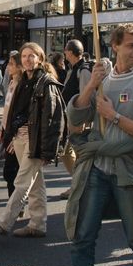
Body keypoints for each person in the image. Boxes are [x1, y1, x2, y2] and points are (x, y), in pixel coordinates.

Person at [65, 23, 133, 266]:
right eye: (131, 45)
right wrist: (91, 85)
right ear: (115, 46)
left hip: (130, 172)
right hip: (96, 170)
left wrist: (113, 116)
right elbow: (75, 118)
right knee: (82, 240)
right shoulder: (103, 82)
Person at [0, 42, 64, 238]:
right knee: (35, 184)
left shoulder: (46, 82)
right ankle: (37, 224)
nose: (27, 59)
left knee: (22, 181)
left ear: (40, 58)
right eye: (24, 56)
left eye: (32, 55)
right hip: (19, 138)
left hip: (34, 139)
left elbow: (53, 119)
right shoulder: (21, 80)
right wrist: (9, 134)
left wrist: (48, 150)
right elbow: (14, 111)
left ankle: (5, 222)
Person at [58, 39, 92, 199]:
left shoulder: (83, 70)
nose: (64, 53)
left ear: (70, 52)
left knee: (71, 152)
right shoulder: (75, 69)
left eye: (66, 51)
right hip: (69, 117)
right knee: (66, 152)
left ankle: (79, 184)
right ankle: (77, 183)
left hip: (77, 119)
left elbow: (86, 96)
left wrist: (84, 121)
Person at [0, 51, 21, 197]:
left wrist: (15, 137)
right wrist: (1, 127)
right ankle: (15, 204)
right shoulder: (12, 82)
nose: (8, 67)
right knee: (9, 172)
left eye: (12, 64)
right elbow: (7, 108)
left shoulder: (21, 85)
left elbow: (20, 113)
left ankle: (16, 205)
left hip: (17, 134)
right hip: (8, 131)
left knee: (12, 171)